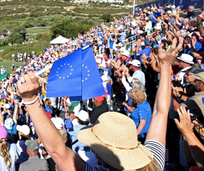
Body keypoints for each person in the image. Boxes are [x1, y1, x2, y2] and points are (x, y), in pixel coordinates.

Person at [16, 37, 183, 171]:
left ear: (106, 155)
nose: (94, 153)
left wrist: (30, 99)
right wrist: (166, 66)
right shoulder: (153, 163)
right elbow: (160, 112)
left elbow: (58, 152)